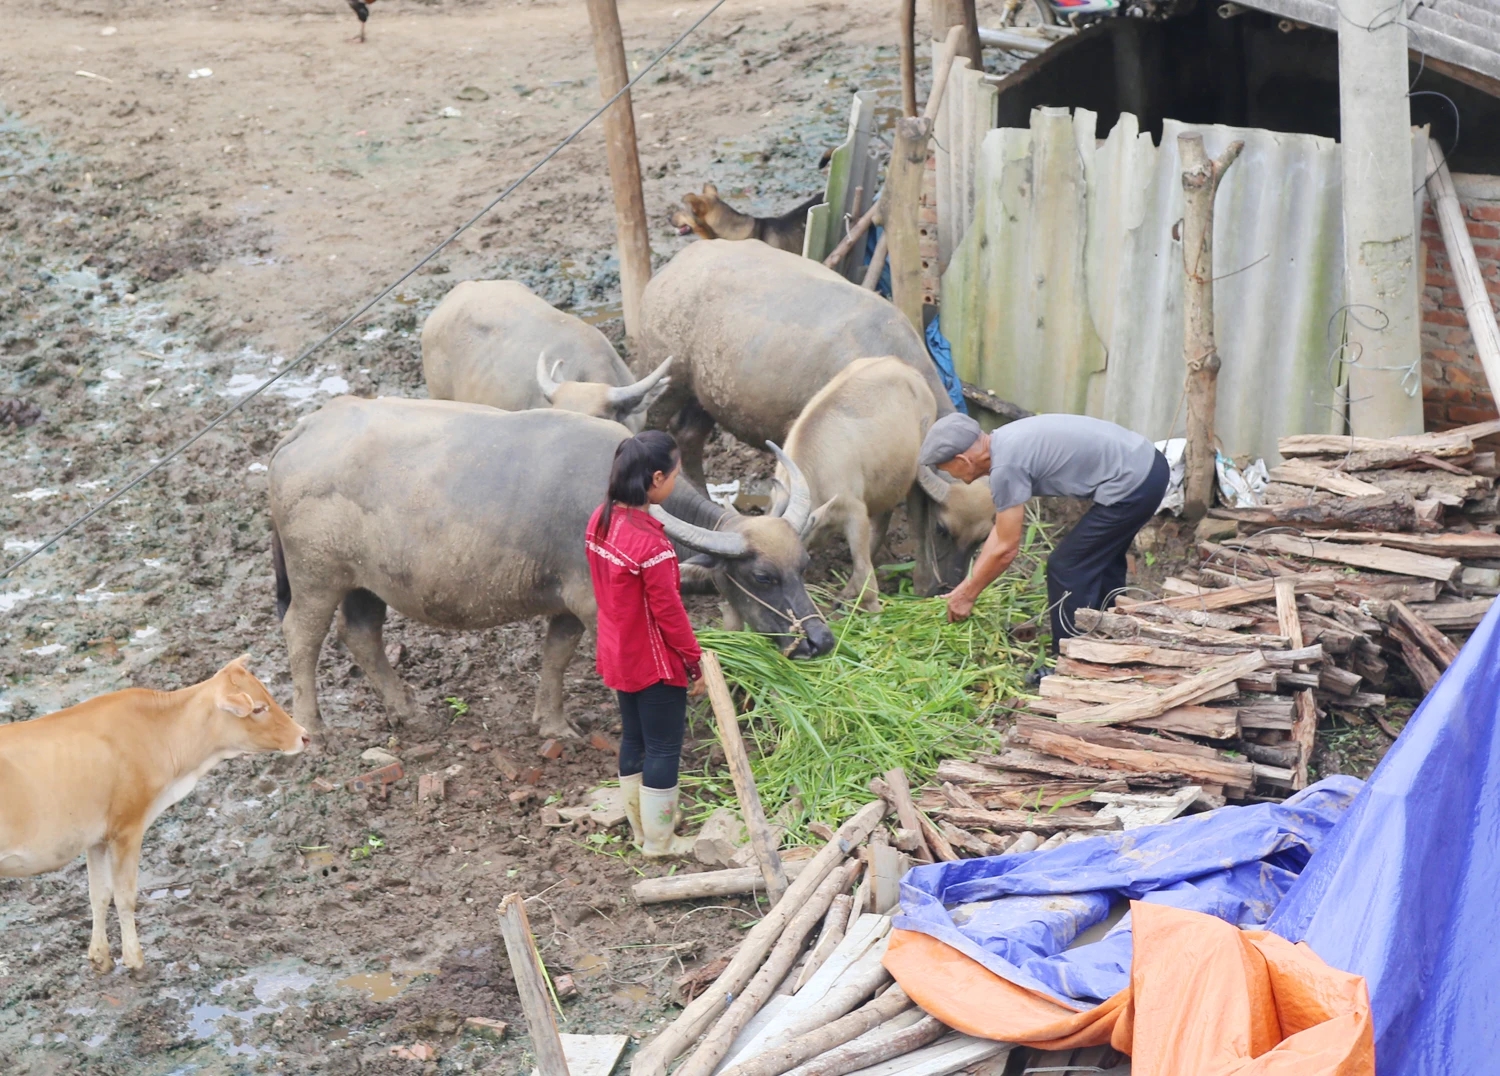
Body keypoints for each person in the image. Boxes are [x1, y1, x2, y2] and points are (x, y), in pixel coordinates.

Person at [919, 412, 1168, 651]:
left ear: (962, 460)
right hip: (1146, 466)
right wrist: (967, 586)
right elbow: (1001, 533)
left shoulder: (1006, 467)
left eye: (947, 469)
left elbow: (1006, 549)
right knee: (1100, 559)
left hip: (1135, 482)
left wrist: (968, 595)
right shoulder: (1005, 442)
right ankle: (1109, 633)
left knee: (1067, 567)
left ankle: (1071, 657)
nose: (950, 475)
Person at [585, 430, 706, 858]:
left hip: (619, 650)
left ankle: (642, 829)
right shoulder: (653, 545)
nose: (675, 481)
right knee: (664, 747)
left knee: (634, 738)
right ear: (656, 479)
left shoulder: (601, 519)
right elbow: (669, 612)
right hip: (654, 661)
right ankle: (660, 841)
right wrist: (694, 661)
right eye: (675, 475)